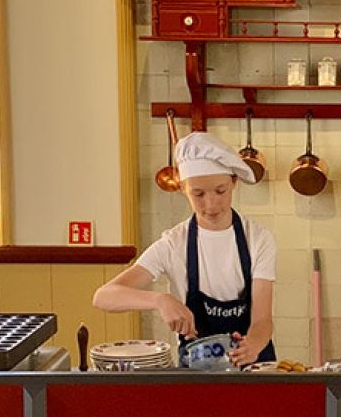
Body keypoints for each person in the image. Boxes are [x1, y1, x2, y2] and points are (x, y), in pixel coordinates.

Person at [94, 131, 276, 367]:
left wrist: (253, 345)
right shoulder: (173, 244)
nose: (210, 205)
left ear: (234, 181)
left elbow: (263, 320)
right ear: (182, 187)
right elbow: (103, 297)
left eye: (220, 191)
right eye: (198, 194)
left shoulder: (258, 239)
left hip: (254, 366)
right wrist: (160, 299)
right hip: (196, 374)